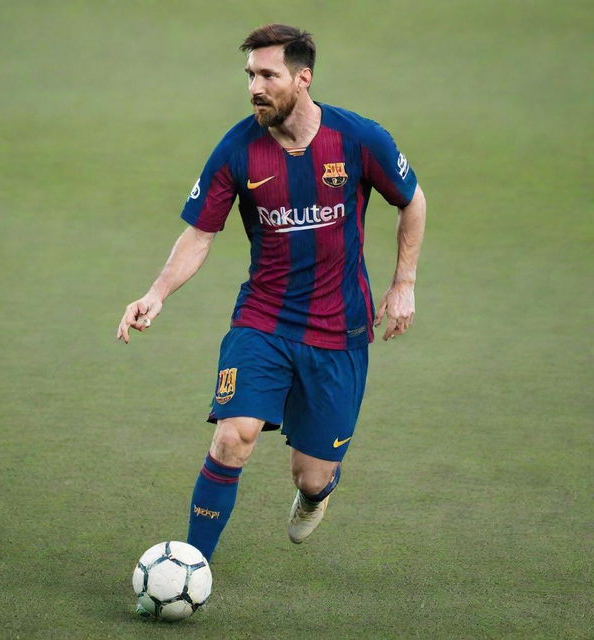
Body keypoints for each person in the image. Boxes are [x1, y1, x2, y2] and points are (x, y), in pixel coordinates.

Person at [117, 24, 426, 562]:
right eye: (250, 76)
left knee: (311, 476)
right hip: (263, 321)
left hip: (339, 332)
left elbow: (413, 200)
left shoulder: (358, 138)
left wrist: (404, 284)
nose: (255, 87)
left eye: (268, 75)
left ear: (303, 78)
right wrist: (157, 292)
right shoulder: (237, 150)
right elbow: (199, 234)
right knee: (234, 436)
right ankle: (194, 564)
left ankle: (316, 493)